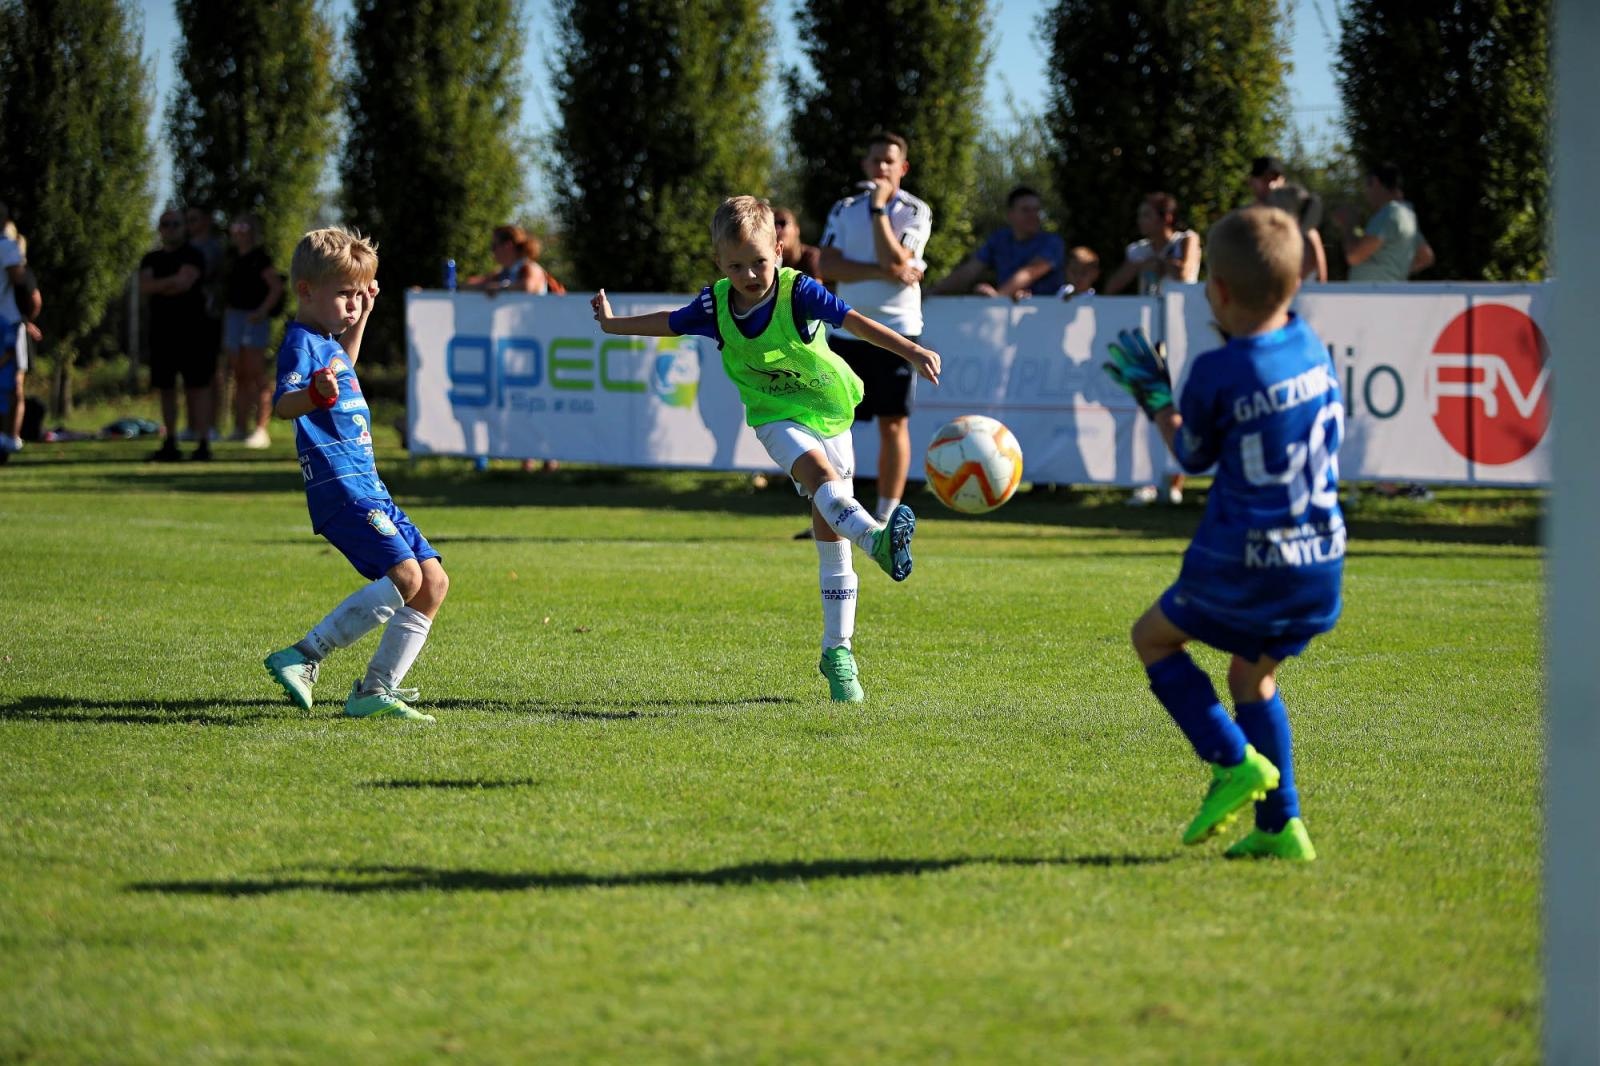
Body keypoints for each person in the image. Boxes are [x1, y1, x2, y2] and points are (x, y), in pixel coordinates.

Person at [591, 195, 939, 703]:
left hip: (829, 411)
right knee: (821, 481)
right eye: (736, 265)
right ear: (719, 264)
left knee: (831, 534)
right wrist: (612, 325)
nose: (750, 273)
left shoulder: (800, 293)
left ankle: (836, 650)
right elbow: (668, 321)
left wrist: (910, 349)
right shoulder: (715, 305)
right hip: (776, 417)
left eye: (759, 260)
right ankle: (879, 541)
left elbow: (856, 322)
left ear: (779, 250)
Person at [1102, 204, 1343, 862]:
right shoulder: (1312, 347)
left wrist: (1156, 399)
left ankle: (1232, 763)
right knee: (1252, 679)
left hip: (1248, 559)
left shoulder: (1218, 370)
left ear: (1218, 291)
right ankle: (1280, 827)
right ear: (1295, 286)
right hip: (1320, 560)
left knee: (1152, 638)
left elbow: (1193, 458)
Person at [263, 227, 448, 723]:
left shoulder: (328, 343)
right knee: (406, 576)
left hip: (371, 487)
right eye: (344, 293)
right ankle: (304, 655)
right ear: (306, 291)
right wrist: (316, 396)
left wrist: (362, 316)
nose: (351, 302)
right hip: (342, 489)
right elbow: (284, 403)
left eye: (358, 293)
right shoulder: (302, 343)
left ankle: (374, 691)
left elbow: (344, 363)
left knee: (432, 582)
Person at [818, 131, 931, 530]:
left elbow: (895, 255)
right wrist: (883, 270)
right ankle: (837, 512)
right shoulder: (844, 209)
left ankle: (885, 516)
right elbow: (828, 266)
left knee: (893, 421)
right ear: (865, 166)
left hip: (898, 331)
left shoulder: (915, 210)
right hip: (847, 330)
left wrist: (880, 210)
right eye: (875, 160)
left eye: (890, 161)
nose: (881, 168)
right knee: (832, 423)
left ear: (903, 168)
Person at [1105, 192, 1201, 505]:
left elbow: (1185, 273)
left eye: (1148, 215)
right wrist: (1140, 265)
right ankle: (1146, 480)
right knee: (1150, 409)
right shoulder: (1138, 251)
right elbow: (1112, 286)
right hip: (1151, 340)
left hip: (1183, 334)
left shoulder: (1186, 240)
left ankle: (1175, 481)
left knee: (1179, 406)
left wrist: (1159, 264)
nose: (1141, 221)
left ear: (1166, 219)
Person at [140, 209, 214, 461]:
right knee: (166, 387)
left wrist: (162, 286)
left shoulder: (194, 255)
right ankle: (170, 440)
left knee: (198, 387)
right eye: (165, 224)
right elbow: (145, 286)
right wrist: (171, 283)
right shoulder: (151, 258)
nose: (170, 229)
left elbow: (185, 283)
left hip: (193, 332)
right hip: (162, 333)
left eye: (175, 224)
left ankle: (203, 442)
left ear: (184, 228)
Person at [934, 185, 1065, 300]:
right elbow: (970, 270)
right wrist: (931, 292)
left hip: (1046, 318)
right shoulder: (999, 239)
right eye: (1025, 210)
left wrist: (998, 297)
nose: (1033, 215)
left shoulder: (1052, 242)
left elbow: (1029, 272)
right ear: (1010, 214)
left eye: (1036, 210)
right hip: (1006, 316)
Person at [223, 214, 284, 448]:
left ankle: (260, 429)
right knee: (238, 374)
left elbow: (275, 287)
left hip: (253, 318)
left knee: (255, 373)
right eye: (235, 225)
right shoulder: (231, 257)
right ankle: (240, 427)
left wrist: (261, 311)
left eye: (243, 226)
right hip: (234, 317)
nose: (238, 230)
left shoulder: (260, 258)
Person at [1337, 161, 1435, 282]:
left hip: (1372, 297)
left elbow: (1354, 256)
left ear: (1375, 182)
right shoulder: (1407, 216)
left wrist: (1349, 224)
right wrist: (1393, 273)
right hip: (1386, 294)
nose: (1366, 193)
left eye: (1367, 186)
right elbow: (1426, 257)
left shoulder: (1389, 214)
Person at [186, 205, 226, 442]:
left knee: (210, 374)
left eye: (194, 219)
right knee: (191, 375)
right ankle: (193, 425)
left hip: (209, 316)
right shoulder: (186, 248)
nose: (189, 224)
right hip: (189, 318)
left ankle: (211, 425)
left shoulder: (213, 248)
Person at [0, 208, 34, 457]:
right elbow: (21, 282)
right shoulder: (8, 247)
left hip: (7, 321)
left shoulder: (8, 245)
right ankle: (7, 437)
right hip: (7, 322)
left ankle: (8, 438)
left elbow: (24, 287)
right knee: (10, 381)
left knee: (11, 381)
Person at [465, 224, 550, 294]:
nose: (492, 250)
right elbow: (472, 285)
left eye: (494, 246)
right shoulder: (503, 272)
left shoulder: (531, 268)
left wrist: (500, 288)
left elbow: (528, 286)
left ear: (508, 246)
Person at [773, 206, 823, 282]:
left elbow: (816, 290)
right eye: (774, 224)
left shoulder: (811, 256)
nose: (777, 229)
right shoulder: (770, 260)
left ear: (796, 229)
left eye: (782, 223)